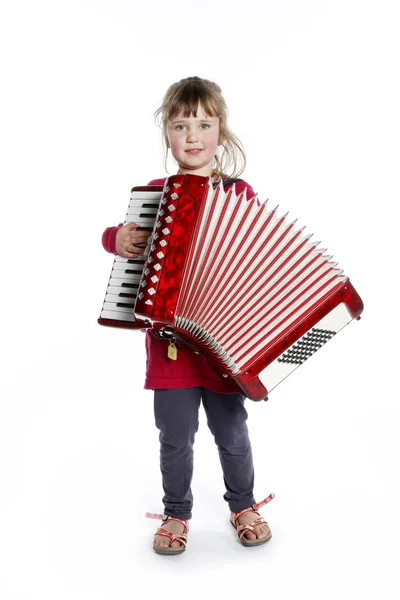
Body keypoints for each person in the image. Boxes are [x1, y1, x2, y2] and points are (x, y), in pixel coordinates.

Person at [102, 76, 274, 554]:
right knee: (174, 437)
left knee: (233, 433)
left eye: (204, 124)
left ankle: (243, 504)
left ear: (221, 132)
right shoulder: (155, 193)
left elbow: (257, 256)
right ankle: (176, 513)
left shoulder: (240, 194)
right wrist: (116, 238)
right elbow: (120, 236)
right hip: (170, 346)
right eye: (181, 125)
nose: (193, 136)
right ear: (168, 136)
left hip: (221, 346)